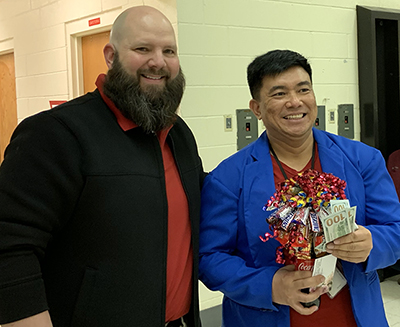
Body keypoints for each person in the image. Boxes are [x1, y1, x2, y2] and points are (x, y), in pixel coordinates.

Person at [0, 6, 204, 327]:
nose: (158, 61)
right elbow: (11, 246)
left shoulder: (179, 134)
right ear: (111, 56)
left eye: (169, 51)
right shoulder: (56, 134)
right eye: (142, 49)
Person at [199, 49, 400, 326]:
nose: (295, 102)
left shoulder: (362, 159)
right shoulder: (228, 178)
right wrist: (270, 285)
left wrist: (371, 243)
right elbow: (210, 258)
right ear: (256, 108)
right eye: (279, 93)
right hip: (266, 317)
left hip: (354, 316)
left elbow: (395, 229)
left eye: (303, 89)